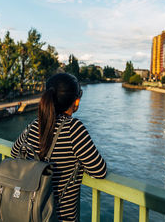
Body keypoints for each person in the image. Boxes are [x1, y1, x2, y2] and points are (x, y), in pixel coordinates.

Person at [11, 73, 107, 221]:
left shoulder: (34, 125)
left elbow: (14, 152)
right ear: (76, 101)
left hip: (29, 213)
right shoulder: (73, 128)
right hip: (59, 218)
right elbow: (99, 171)